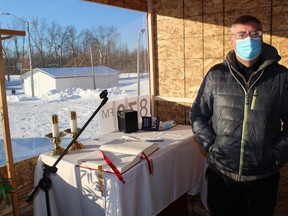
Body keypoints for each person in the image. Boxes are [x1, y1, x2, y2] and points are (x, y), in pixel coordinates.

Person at [190, 15, 288, 216]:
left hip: (263, 180)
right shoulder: (216, 75)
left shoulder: (281, 77)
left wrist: (276, 156)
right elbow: (198, 114)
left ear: (262, 38)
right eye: (242, 34)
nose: (249, 39)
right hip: (222, 178)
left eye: (255, 34)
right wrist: (211, 146)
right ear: (232, 40)